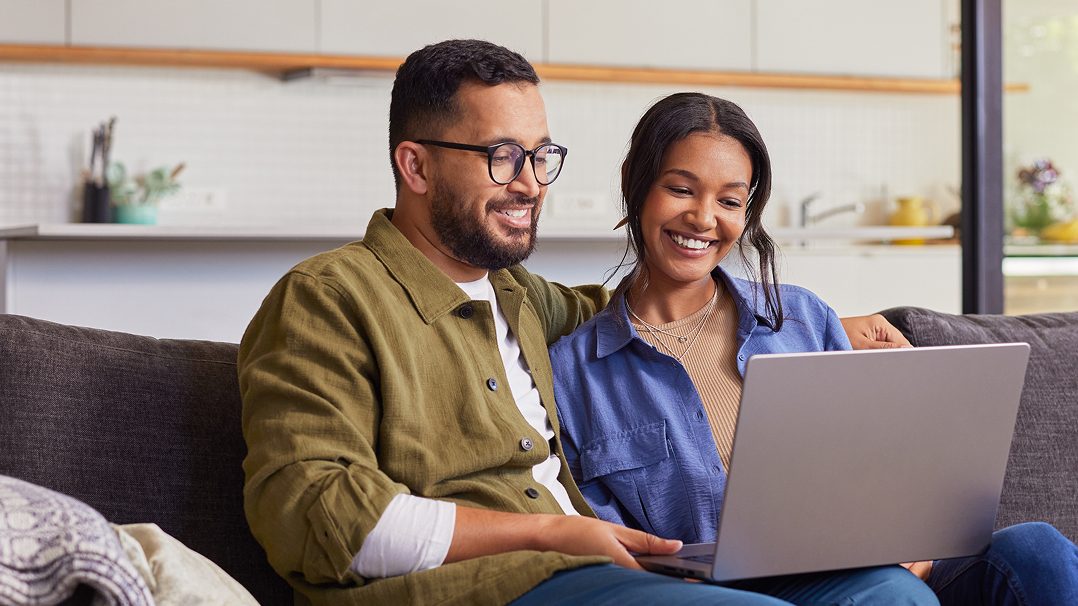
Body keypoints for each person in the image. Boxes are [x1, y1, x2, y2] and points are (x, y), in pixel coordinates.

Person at [239, 39, 929, 605]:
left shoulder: (518, 297)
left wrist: (814, 322)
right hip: (496, 584)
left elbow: (656, 309)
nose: (532, 183)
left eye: (541, 157)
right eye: (501, 156)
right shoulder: (328, 297)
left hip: (594, 572)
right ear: (414, 165)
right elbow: (314, 517)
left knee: (896, 596)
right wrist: (546, 534)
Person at [549, 92, 1078, 606]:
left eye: (730, 200)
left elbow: (884, 463)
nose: (704, 219)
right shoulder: (575, 373)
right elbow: (605, 543)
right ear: (633, 182)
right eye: (681, 189)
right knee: (891, 594)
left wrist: (910, 532)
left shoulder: (802, 318)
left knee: (1038, 547)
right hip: (723, 592)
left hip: (878, 565)